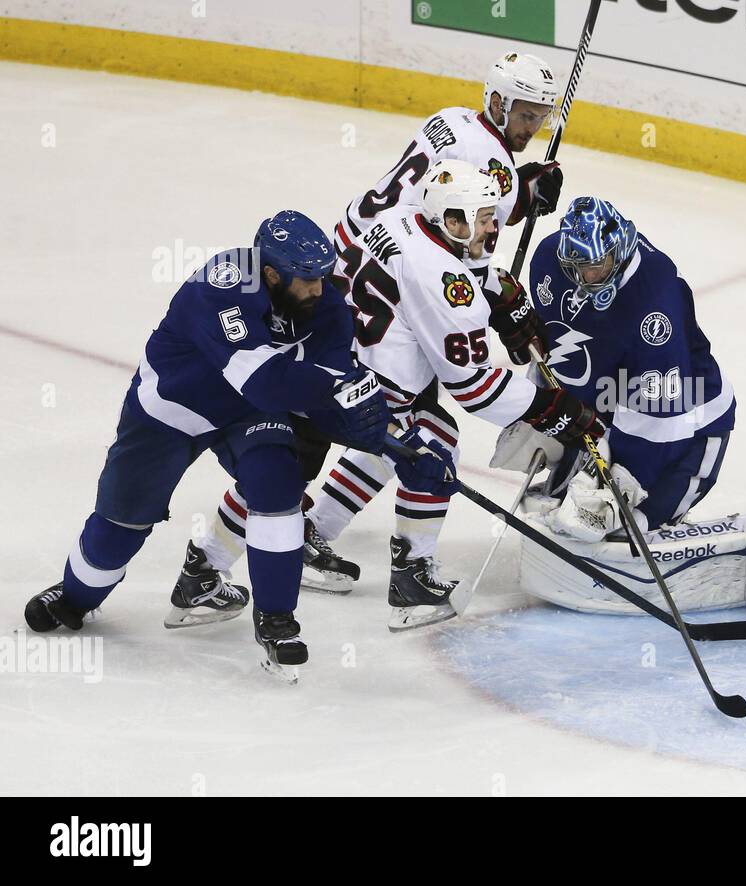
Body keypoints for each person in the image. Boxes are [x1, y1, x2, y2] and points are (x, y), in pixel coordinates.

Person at [192, 50, 566, 594]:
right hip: (384, 295)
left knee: (391, 424)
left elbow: (451, 206)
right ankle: (214, 559)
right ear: (497, 101)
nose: (534, 126)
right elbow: (468, 236)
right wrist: (511, 207)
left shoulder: (451, 119)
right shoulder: (491, 172)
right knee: (324, 439)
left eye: (541, 116)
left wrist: (517, 193)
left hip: (352, 261)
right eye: (526, 114)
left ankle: (305, 530)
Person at [24, 211, 455, 677]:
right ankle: (74, 597)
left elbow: (335, 390)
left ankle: (278, 621)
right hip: (171, 409)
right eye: (307, 280)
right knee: (120, 528)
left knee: (278, 487)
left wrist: (400, 448)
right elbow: (267, 383)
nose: (320, 289)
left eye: (323, 276)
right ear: (272, 274)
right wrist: (348, 406)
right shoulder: (225, 283)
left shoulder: (325, 306)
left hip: (247, 414)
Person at [304, 160, 602, 631]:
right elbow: (475, 387)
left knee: (397, 439)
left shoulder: (403, 219)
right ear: (452, 221)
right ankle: (411, 582)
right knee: (433, 442)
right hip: (358, 388)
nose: (494, 226)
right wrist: (550, 408)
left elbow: (444, 269)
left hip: (332, 363)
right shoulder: (444, 281)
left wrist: (498, 291)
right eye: (483, 218)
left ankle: (311, 532)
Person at [494, 197, 746, 618]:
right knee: (567, 515)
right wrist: (548, 414)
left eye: (597, 265)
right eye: (577, 267)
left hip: (687, 432)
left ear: (619, 248)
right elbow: (556, 351)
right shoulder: (548, 258)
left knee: (628, 528)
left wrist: (623, 482)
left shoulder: (654, 298)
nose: (587, 277)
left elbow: (662, 417)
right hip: (608, 416)